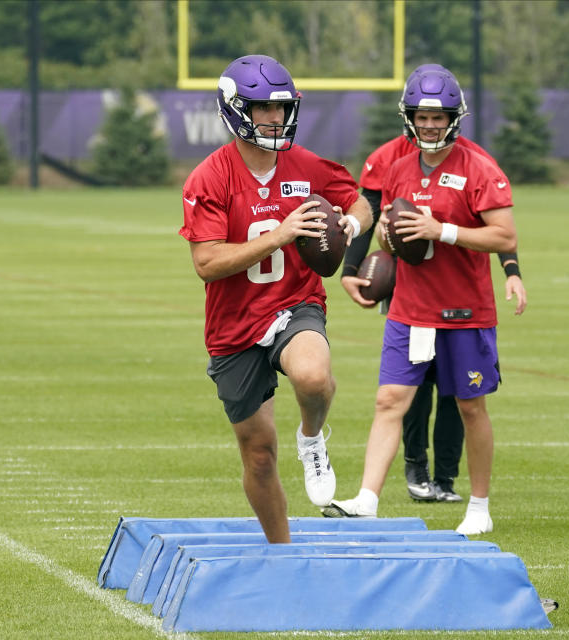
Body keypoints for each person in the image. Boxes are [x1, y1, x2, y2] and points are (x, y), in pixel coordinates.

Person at [180, 54, 373, 542]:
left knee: (312, 374)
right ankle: (282, 553)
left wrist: (351, 223)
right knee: (260, 454)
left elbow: (359, 201)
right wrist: (279, 235)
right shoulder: (210, 177)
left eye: (281, 107)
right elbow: (206, 263)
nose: (274, 117)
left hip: (294, 303)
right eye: (262, 107)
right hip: (233, 323)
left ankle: (311, 437)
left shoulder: (306, 164)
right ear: (235, 109)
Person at [324, 67, 519, 535]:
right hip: (411, 308)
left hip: (464, 310)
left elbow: (504, 234)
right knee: (389, 400)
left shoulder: (480, 167)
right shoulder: (397, 168)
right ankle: (367, 499)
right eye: (422, 115)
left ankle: (478, 505)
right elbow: (394, 239)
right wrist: (383, 245)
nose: (430, 124)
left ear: (455, 117)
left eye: (439, 116)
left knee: (471, 406)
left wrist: (442, 231)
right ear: (409, 117)